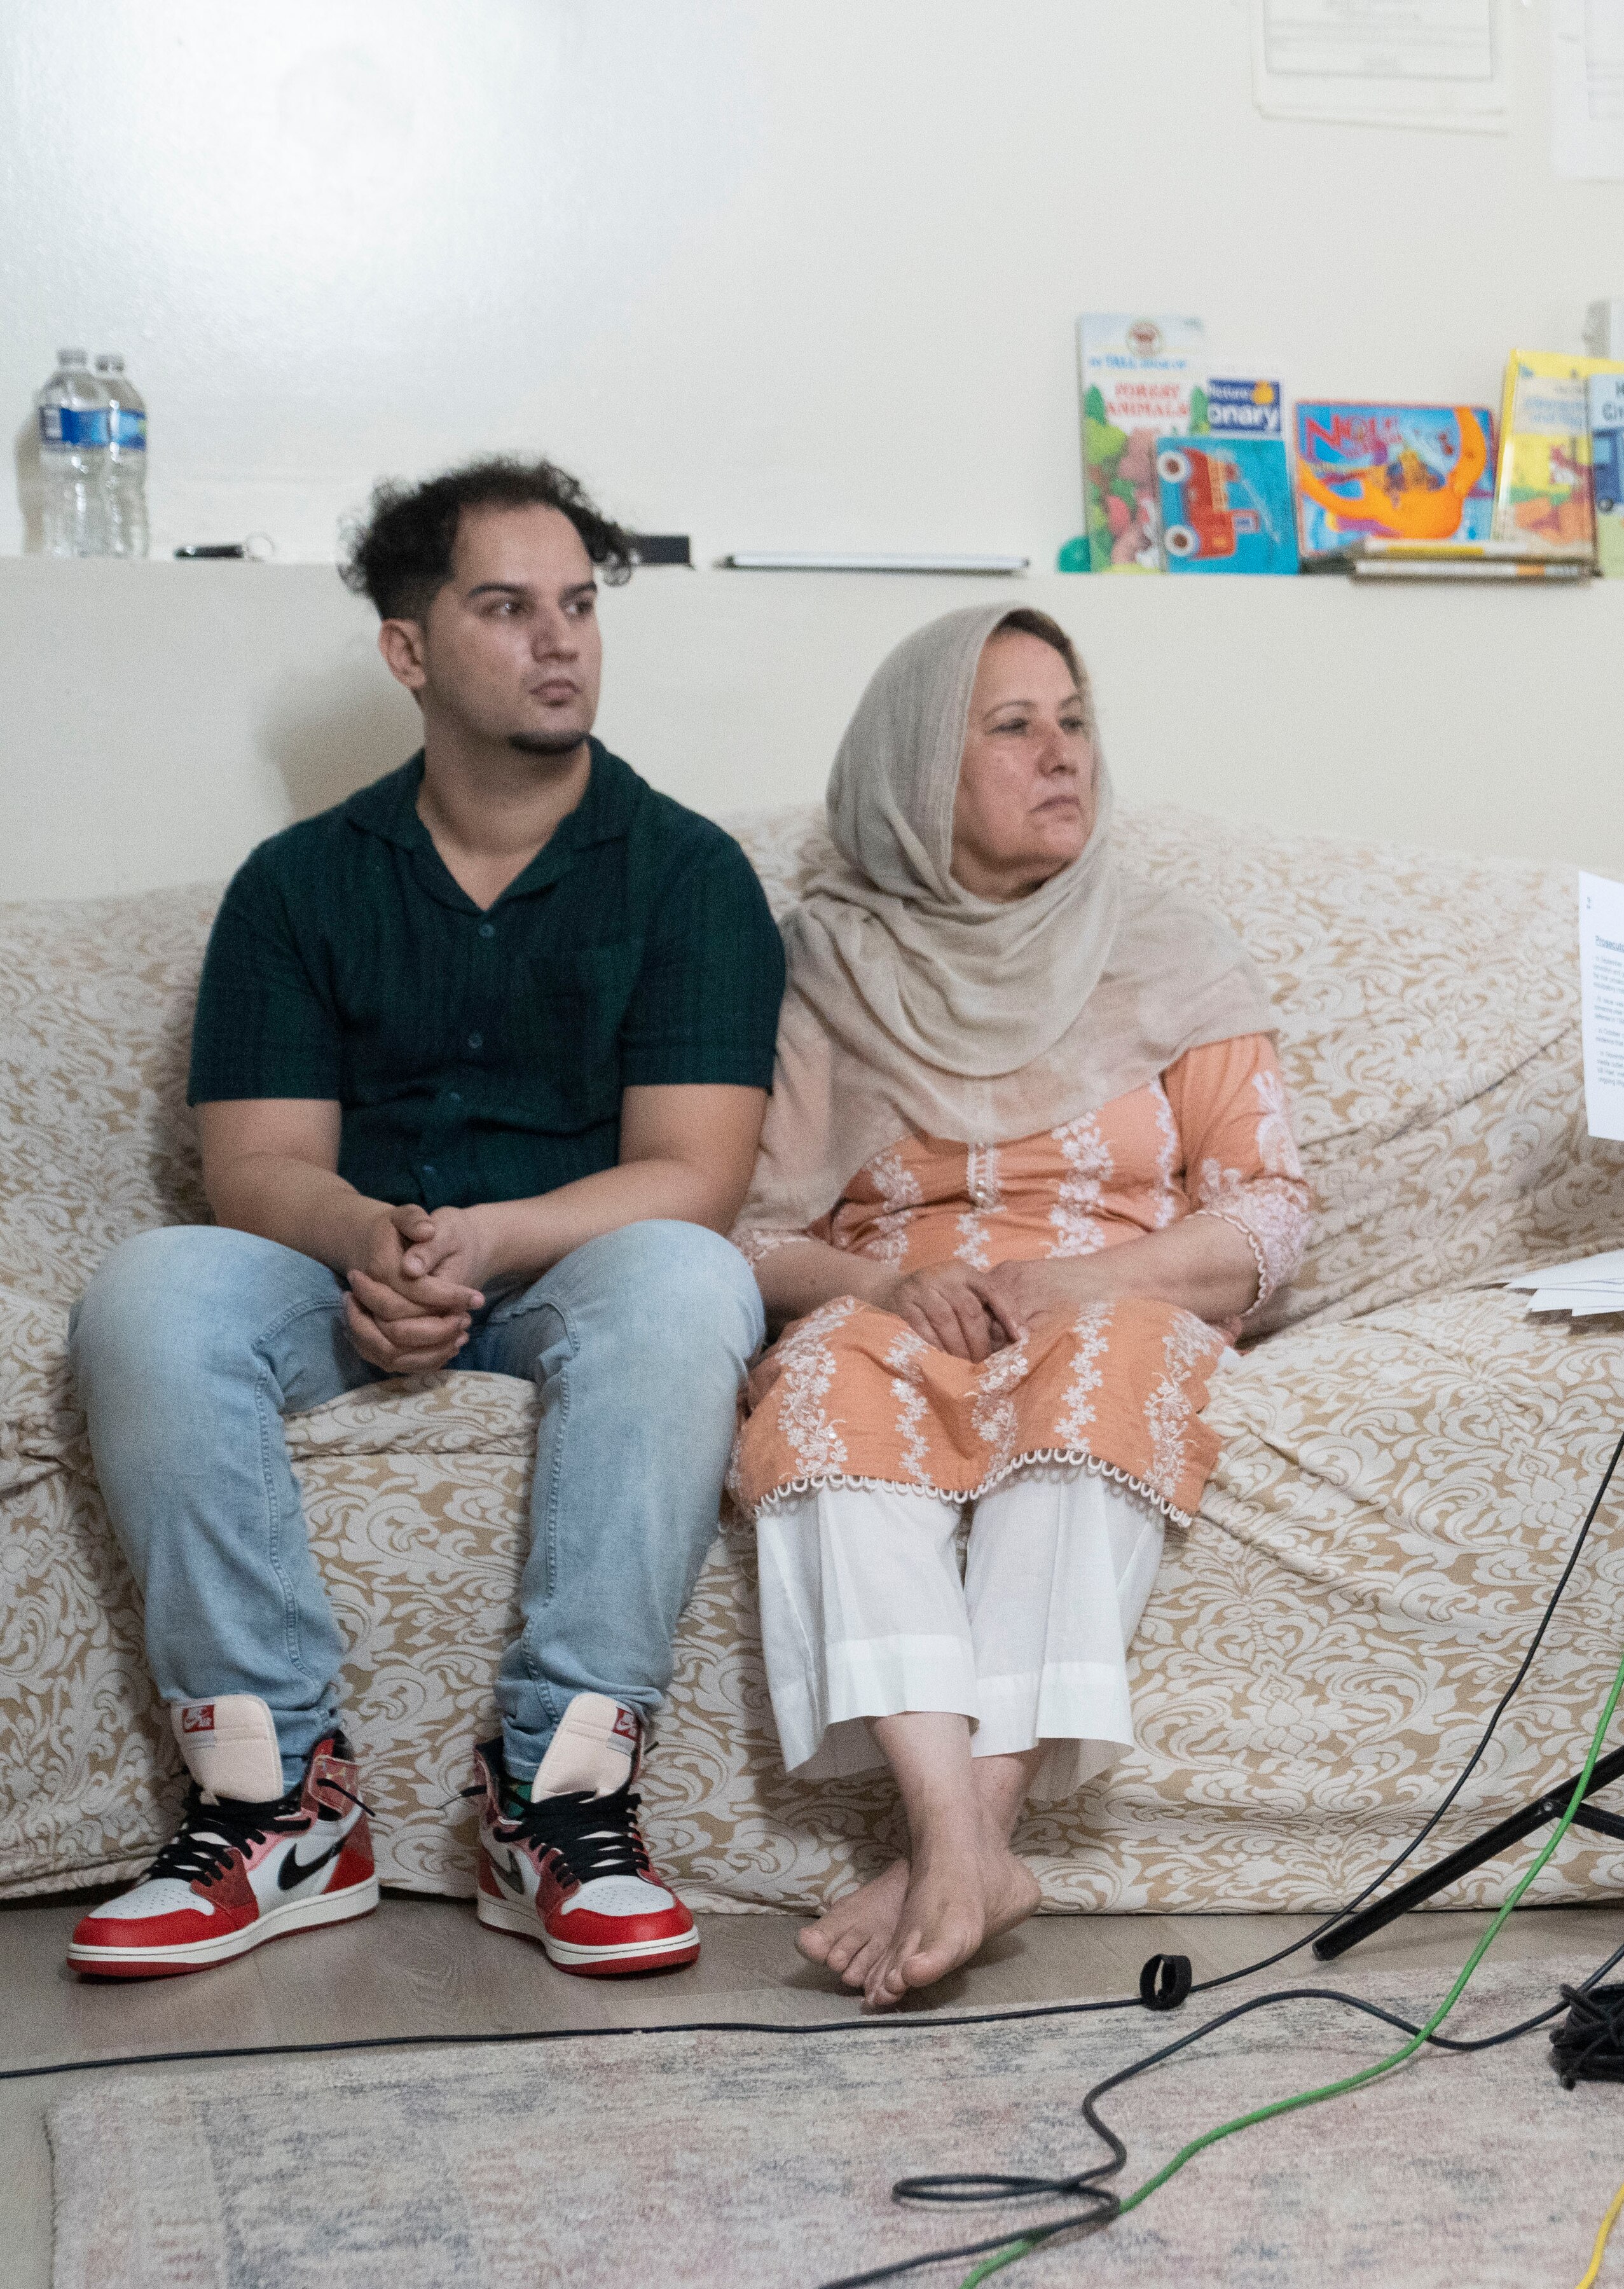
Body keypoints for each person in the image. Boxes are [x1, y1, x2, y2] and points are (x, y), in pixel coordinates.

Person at [64, 457, 784, 1981]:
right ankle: (280, 1805)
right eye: (508, 607)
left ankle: (559, 1802)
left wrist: (487, 1243)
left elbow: (692, 1170)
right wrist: (373, 1242)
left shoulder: (692, 876)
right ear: (409, 650)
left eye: (579, 606)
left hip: (570, 1269)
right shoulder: (297, 884)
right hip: (342, 1264)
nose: (560, 641)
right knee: (150, 1288)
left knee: (686, 1277)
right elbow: (256, 1168)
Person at [729, 603, 1312, 2012]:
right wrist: (884, 1283)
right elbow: (748, 1234)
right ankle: (965, 1844)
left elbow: (1270, 1209)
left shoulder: (1169, 948)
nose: (1064, 756)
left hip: (1119, 1293)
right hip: (900, 1301)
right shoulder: (821, 968)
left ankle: (957, 1847)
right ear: (916, 768)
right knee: (816, 1396)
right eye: (1012, 727)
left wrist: (1083, 1278)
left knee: (1104, 1367)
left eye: (1075, 720)